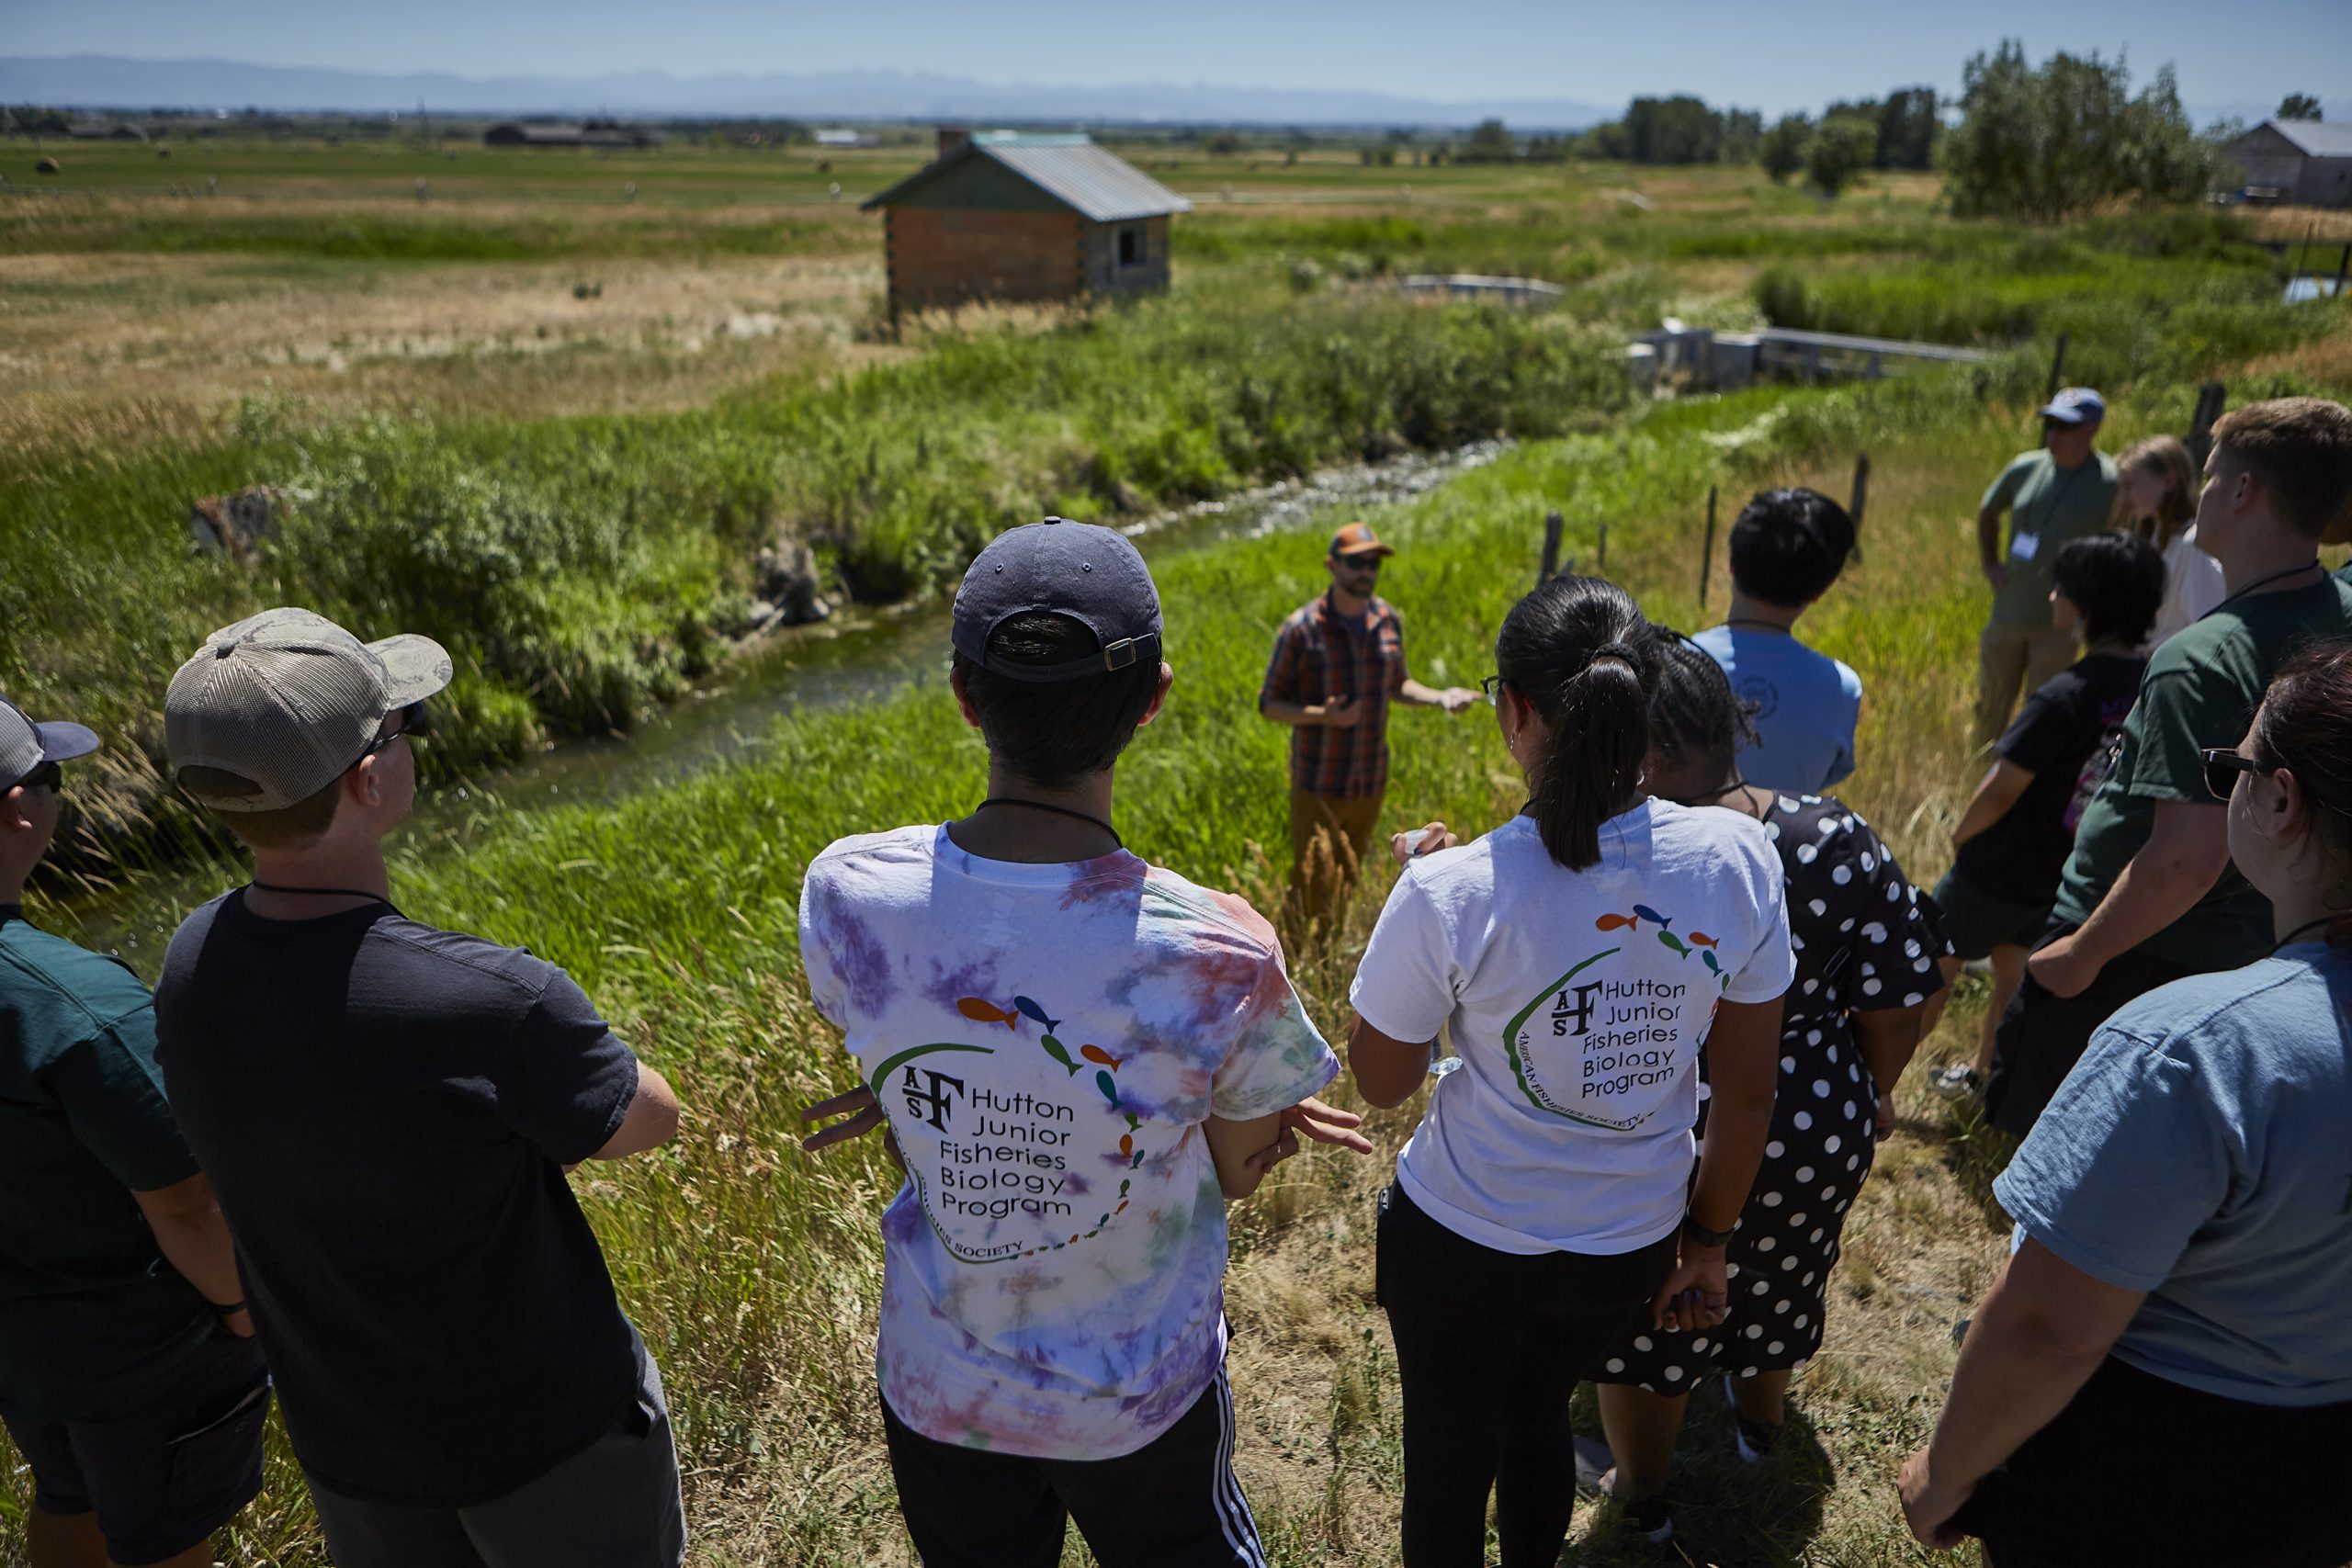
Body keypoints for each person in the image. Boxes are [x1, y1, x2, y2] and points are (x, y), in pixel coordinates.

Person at [797, 519, 1370, 1568]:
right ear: (1154, 699)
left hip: (940, 1389)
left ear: (965, 698)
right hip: (1134, 1397)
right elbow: (1238, 1173)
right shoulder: (1216, 950)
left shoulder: (848, 892)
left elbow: (917, 1087)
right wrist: (1250, 1118)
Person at [151, 608, 687, 1568]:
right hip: (548, 1442)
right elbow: (648, 1119)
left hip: (354, 1450)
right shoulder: (490, 997)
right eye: (405, 728)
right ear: (369, 780)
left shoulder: (189, 963)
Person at [1346, 577, 1794, 1567]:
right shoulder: (1735, 859)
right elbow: (1749, 1090)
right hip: (1626, 1243)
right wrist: (1707, 1244)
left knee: (1449, 1457)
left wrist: (1410, 903)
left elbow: (1381, 1080)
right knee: (1540, 1415)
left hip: (1459, 1241)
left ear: (1511, 712)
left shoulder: (1450, 890)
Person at [1901, 637, 2352, 1568]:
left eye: (2232, 766)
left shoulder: (2198, 1047)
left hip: (2138, 1479)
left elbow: (2042, 1330)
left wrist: (1944, 1476)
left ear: (2278, 801)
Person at [1587, 632, 1949, 1546]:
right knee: (1781, 1281)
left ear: (1649, 754)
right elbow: (1911, 987)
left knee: (1645, 1331)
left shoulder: (1611, 852)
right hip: (1808, 1130)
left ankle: (1647, 1501)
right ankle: (1758, 1429)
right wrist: (1869, 1087)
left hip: (1651, 1140)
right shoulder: (1826, 834)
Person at [1984, 398, 2352, 1139]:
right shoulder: (2338, 614)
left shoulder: (2205, 657)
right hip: (2257, 947)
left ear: (2245, 491)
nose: (2204, 493)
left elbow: (2185, 858)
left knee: (2056, 1164)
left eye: (2214, 477)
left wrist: (2078, 958)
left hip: (2135, 954)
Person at [0, 697, 268, 1568]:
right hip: (138, 1356)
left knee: (68, 1493)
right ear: (17, 807)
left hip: (24, 1352)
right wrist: (242, 1307)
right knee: (161, 1538)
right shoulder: (70, 999)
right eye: (53, 775)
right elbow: (188, 1202)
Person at [1929, 534, 2161, 1100]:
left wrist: (1962, 835)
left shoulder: (2065, 693)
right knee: (2012, 971)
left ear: (2083, 605)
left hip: (1997, 867)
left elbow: (2003, 787)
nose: (2053, 594)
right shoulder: (2154, 682)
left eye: (2063, 587)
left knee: (1929, 966)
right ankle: (1985, 1083)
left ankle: (1874, 1083)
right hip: (2066, 871)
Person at [1259, 521, 1480, 926]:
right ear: (1332, 565)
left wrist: (1440, 697)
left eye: (1373, 564)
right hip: (1318, 782)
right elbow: (1269, 704)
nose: (1366, 572)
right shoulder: (1301, 629)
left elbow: (1397, 684)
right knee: (1310, 884)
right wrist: (1321, 716)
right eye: (1356, 563)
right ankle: (1291, 957)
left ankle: (1328, 945)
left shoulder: (1387, 619)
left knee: (1348, 876)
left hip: (1369, 780)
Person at [1691, 488, 1864, 795]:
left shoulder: (1676, 663)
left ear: (1731, 566)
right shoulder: (1842, 688)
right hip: (1788, 844)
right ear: (1821, 590)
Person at [1973, 388, 2119, 746]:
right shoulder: (2026, 466)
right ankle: (1975, 780)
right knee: (1989, 709)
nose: (2054, 434)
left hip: (2060, 625)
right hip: (2008, 613)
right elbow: (1988, 509)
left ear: (2093, 428)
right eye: (2050, 424)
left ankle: (2023, 790)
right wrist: (1991, 563)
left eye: (2065, 426)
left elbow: (2120, 545)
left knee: (2039, 713)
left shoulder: (2111, 481)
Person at [2115, 434, 2224, 649]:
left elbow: (2207, 625)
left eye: (2130, 486)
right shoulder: (2157, 534)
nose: (2122, 500)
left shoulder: (2194, 544)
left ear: (2169, 481)